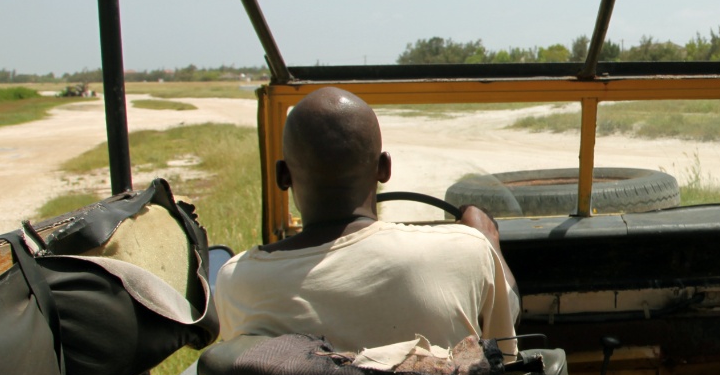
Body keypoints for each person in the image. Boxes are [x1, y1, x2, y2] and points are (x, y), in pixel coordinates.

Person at [213, 85, 519, 357]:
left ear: (283, 175)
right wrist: (488, 241)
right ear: (385, 168)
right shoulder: (466, 250)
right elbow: (505, 342)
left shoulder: (236, 280)